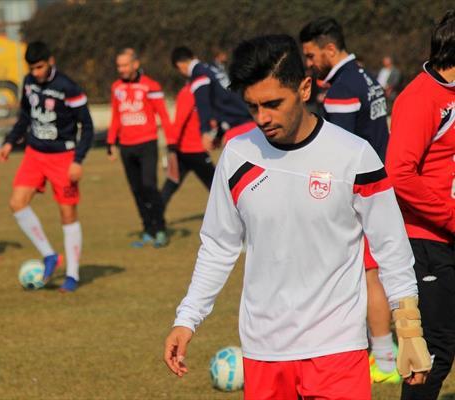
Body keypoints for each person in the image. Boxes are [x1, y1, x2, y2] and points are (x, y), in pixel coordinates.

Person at [163, 34, 431, 399]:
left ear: (305, 88)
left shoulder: (354, 155)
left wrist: (410, 329)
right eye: (252, 107)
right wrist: (187, 318)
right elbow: (218, 246)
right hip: (264, 352)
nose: (263, 118)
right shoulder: (237, 155)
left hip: (338, 350)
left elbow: (391, 247)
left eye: (273, 103)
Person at [299, 16, 399, 383]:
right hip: (378, 186)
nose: (308, 63)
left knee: (370, 275)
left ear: (329, 49)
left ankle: (386, 360)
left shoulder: (342, 88)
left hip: (360, 194)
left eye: (311, 55)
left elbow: (336, 151)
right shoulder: (365, 78)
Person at [386, 10, 455, 399]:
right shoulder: (420, 97)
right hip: (427, 241)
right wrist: (450, 216)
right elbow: (399, 174)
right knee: (435, 352)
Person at [0, 41, 94, 292]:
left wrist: (78, 160)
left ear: (51, 61)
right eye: (32, 68)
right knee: (16, 203)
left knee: (68, 215)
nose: (36, 73)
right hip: (34, 154)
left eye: (40, 67)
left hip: (64, 158)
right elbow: (25, 117)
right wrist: (9, 142)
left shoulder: (68, 87)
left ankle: (72, 275)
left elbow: (88, 127)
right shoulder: (28, 83)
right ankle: (49, 255)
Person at [107, 48, 171, 248]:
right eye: (119, 66)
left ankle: (160, 228)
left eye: (125, 65)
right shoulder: (116, 87)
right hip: (126, 146)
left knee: (149, 186)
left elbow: (163, 115)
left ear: (135, 64)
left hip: (147, 143)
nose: (122, 69)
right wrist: (111, 142)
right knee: (136, 190)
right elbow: (116, 116)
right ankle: (147, 229)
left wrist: (171, 142)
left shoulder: (151, 86)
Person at [170, 46, 253, 151]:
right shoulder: (210, 68)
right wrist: (219, 133)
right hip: (247, 117)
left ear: (179, 65)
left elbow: (203, 103)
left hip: (239, 124)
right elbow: (222, 99)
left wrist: (205, 131)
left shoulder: (198, 74)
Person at [160, 83, 216, 210]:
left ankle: (154, 221)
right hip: (190, 151)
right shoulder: (188, 92)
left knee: (170, 185)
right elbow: (179, 119)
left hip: (193, 150)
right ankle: (154, 221)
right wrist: (172, 144)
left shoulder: (204, 92)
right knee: (218, 187)